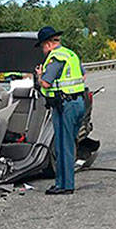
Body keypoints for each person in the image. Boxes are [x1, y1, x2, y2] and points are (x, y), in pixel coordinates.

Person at [34, 25, 87, 195]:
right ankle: (64, 183)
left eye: (42, 46)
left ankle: (64, 186)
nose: (43, 50)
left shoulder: (55, 58)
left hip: (65, 106)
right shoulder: (70, 54)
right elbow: (83, 75)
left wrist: (39, 75)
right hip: (78, 102)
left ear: (48, 44)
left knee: (63, 146)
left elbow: (46, 83)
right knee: (69, 144)